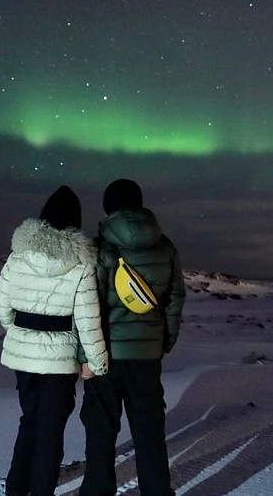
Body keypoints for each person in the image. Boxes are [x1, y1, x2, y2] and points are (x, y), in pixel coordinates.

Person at [0, 185, 109, 496]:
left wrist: (16, 332)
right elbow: (88, 319)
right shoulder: (82, 264)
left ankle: (16, 489)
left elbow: (1, 305)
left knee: (29, 420)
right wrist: (96, 362)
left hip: (23, 358)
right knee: (51, 429)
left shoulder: (18, 257)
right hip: (60, 360)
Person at [78, 179, 187, 496]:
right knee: (149, 430)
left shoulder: (99, 248)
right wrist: (164, 341)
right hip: (146, 356)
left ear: (108, 207)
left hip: (107, 356)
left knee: (100, 430)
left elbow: (89, 304)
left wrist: (86, 355)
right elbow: (175, 299)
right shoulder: (165, 246)